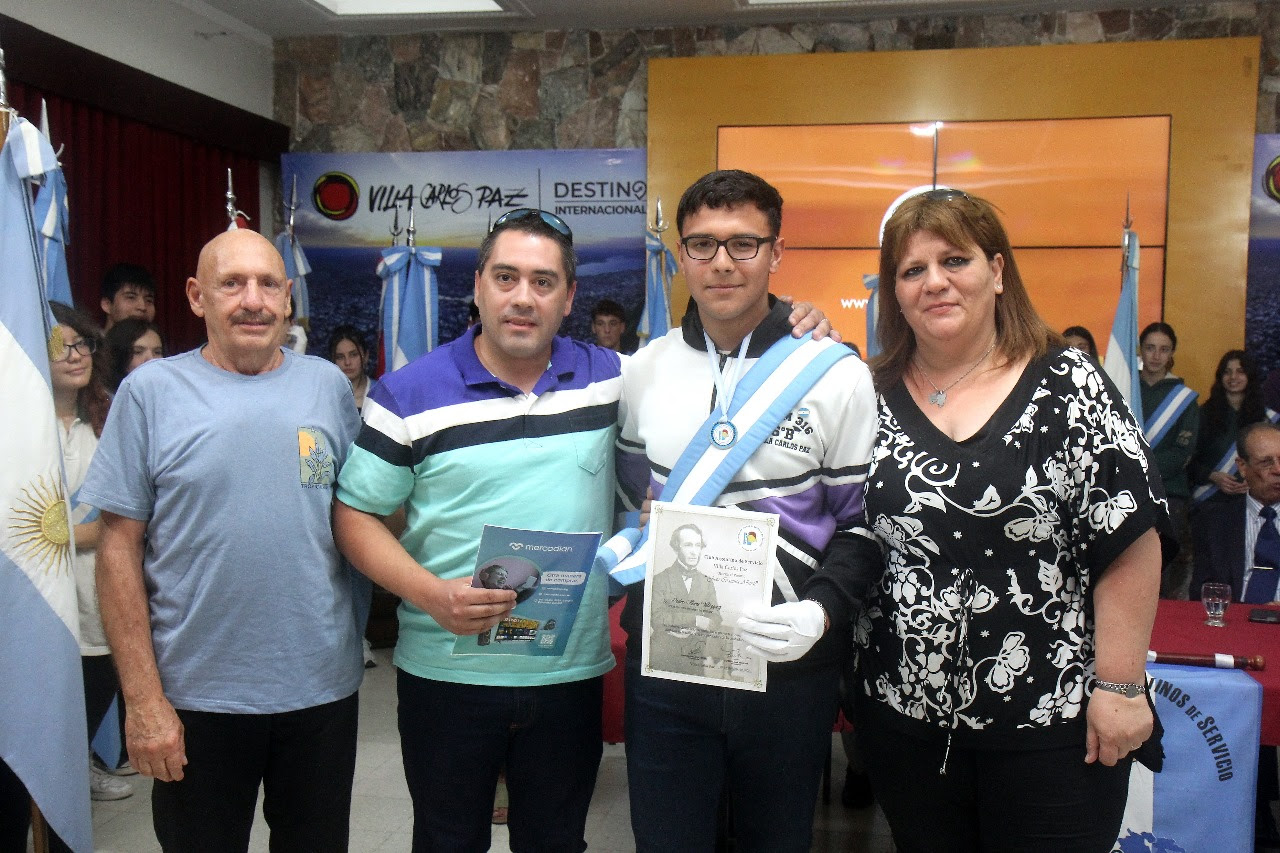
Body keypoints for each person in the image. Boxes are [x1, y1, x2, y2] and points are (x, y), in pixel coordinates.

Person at [333, 205, 836, 852]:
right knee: (445, 840)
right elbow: (354, 515)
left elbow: (707, 395)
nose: (523, 297)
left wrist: (792, 322)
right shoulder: (408, 393)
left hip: (567, 676)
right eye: (506, 277)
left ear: (568, 297)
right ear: (479, 285)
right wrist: (430, 593)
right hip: (446, 674)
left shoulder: (615, 379)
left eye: (543, 282)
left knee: (557, 841)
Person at [856, 187, 1165, 853]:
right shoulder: (864, 394)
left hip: (1055, 725)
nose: (934, 282)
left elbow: (1129, 539)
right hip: (905, 726)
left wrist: (1121, 685)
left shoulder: (1069, 383)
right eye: (912, 270)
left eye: (955, 260)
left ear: (997, 272)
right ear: (893, 292)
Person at [615, 169, 879, 853]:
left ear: (776, 251)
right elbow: (633, 499)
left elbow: (864, 527)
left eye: (743, 243)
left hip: (788, 667)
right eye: (702, 244)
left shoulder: (836, 373)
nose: (722, 262)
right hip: (669, 663)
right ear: (681, 254)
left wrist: (821, 610)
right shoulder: (642, 370)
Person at [80, 229, 366, 852]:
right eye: (231, 284)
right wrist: (143, 700)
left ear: (287, 299)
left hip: (320, 689)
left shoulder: (325, 385)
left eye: (268, 284)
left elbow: (361, 517)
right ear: (196, 296)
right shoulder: (151, 393)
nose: (252, 300)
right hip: (195, 697)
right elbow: (118, 549)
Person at [48, 303, 132, 806]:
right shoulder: (18, 424)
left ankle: (78, 767)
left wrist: (64, 537)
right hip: (36, 586)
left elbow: (129, 513)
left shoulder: (107, 414)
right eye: (62, 346)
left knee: (94, 684)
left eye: (84, 343)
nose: (77, 354)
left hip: (96, 583)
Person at [1189, 420, 1280, 848]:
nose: (1278, 471)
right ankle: (1248, 813)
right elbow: (1201, 595)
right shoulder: (1214, 519)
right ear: (1242, 467)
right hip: (1232, 639)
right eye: (1266, 462)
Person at [1139, 321, 1199, 599]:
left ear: (1172, 352)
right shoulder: (1124, 386)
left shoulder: (1183, 399)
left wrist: (1139, 471)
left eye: (1164, 349)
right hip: (1125, 492)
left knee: (1167, 568)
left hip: (1169, 493)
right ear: (1140, 349)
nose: (1156, 355)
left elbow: (1181, 453)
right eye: (1150, 347)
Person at [1191, 349, 1277, 505]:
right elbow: (1187, 461)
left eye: (1240, 371)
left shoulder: (1269, 419)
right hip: (1209, 499)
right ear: (1220, 377)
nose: (1233, 377)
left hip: (1256, 500)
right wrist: (1212, 476)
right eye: (1227, 372)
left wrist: (1253, 479)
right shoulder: (1202, 414)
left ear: (1250, 376)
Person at [647, 523, 725, 678]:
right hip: (663, 655)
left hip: (694, 657)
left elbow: (716, 618)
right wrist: (694, 620)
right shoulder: (660, 579)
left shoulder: (707, 582)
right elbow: (656, 618)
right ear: (677, 547)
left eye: (698, 545)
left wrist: (699, 628)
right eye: (688, 545)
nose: (694, 551)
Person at [103, 318, 165, 393]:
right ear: (117, 356)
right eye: (138, 352)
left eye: (157, 352)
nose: (151, 359)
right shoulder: (103, 397)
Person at [327, 325, 377, 412]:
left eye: (353, 355)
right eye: (340, 357)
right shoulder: (324, 395)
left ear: (366, 356)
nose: (347, 362)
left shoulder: (381, 393)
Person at [99, 262, 156, 330]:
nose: (142, 307)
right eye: (131, 297)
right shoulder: (90, 337)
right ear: (107, 305)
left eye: (149, 300)